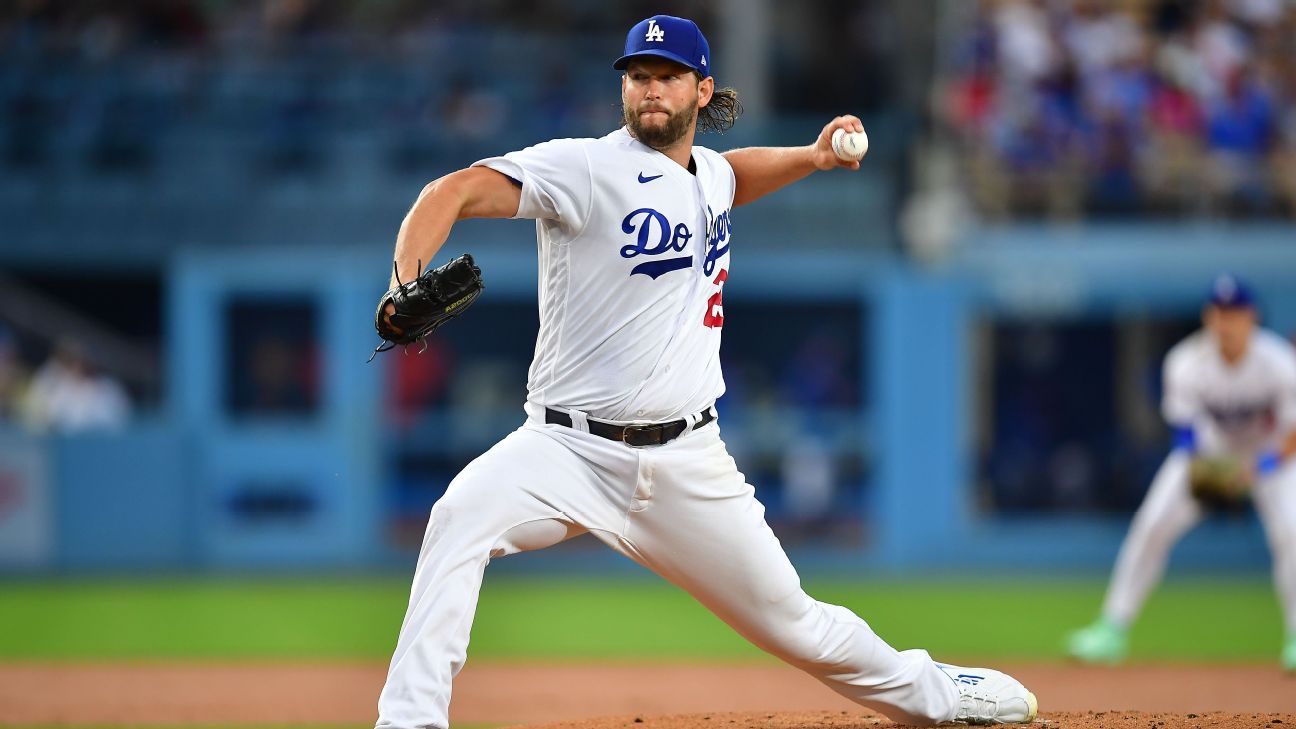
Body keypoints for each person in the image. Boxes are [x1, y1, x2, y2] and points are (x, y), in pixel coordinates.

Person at [374, 15, 1037, 729]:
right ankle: (409, 720)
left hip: (688, 460)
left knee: (799, 625)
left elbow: (732, 173)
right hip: (564, 448)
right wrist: (402, 279)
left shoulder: (709, 173)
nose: (649, 87)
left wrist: (811, 157)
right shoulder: (586, 168)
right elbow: (453, 190)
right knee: (457, 517)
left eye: (666, 75)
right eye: (637, 75)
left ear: (701, 90)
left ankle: (940, 695)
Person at [1067, 274, 1296, 672]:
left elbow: (1293, 434)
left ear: (1251, 317)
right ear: (1209, 317)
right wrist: (1217, 475)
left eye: (1235, 312)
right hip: (1209, 455)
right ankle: (1111, 629)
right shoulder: (1185, 361)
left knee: (1292, 532)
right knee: (1151, 523)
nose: (1226, 322)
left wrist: (1259, 468)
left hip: (1270, 457)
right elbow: (1186, 436)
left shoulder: (1279, 362)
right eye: (1220, 312)